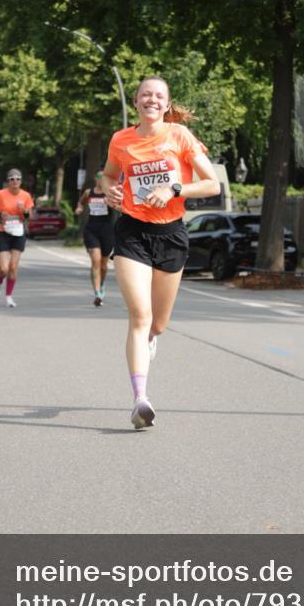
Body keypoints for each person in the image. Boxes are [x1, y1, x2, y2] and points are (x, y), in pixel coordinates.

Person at [102, 76, 220, 429]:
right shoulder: (120, 140)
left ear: (166, 105)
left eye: (159, 96)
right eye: (145, 95)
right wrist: (109, 191)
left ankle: (152, 338)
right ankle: (140, 400)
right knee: (139, 316)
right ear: (135, 102)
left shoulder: (179, 136)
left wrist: (175, 188)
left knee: (158, 324)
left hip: (171, 234)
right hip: (132, 233)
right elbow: (107, 176)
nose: (151, 100)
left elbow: (212, 183)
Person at [0, 169, 34, 308]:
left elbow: (30, 217)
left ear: (21, 181)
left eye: (18, 179)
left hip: (19, 233)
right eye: (12, 179)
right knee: (3, 268)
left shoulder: (26, 196)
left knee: (13, 267)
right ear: (8, 181)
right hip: (4, 232)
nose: (15, 181)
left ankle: (9, 297)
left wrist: (24, 211)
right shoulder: (1, 194)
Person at [75, 170, 115, 306]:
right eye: (99, 176)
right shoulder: (88, 192)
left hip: (107, 230)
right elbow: (81, 203)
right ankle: (97, 293)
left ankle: (102, 284)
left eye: (104, 177)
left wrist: (109, 202)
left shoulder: (110, 193)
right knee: (96, 261)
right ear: (95, 178)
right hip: (91, 229)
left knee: (104, 264)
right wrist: (79, 209)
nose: (101, 179)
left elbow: (118, 206)